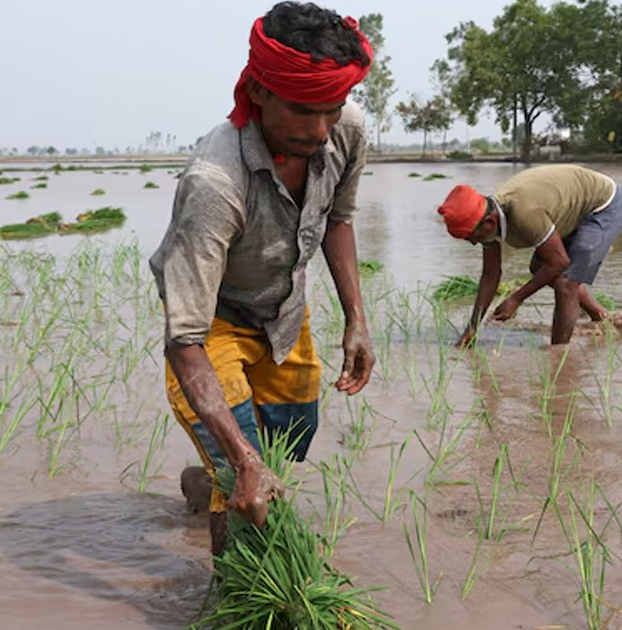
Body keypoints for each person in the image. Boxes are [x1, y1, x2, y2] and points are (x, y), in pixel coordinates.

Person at [148, 1, 375, 555]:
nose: (321, 131)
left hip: (283, 312)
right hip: (214, 326)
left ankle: (205, 482)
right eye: (304, 111)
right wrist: (242, 461)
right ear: (259, 92)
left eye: (333, 108)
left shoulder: (346, 132)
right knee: (243, 465)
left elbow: (336, 220)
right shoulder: (215, 182)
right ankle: (235, 583)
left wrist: (357, 320)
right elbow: (185, 339)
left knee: (290, 439)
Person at [436, 164, 622, 347]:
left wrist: (515, 299)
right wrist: (472, 329)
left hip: (604, 205)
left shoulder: (524, 213)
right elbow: (490, 275)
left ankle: (559, 355)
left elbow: (560, 262)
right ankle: (602, 317)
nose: (473, 243)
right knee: (539, 268)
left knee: (565, 283)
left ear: (489, 222)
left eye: (472, 237)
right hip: (570, 204)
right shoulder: (488, 217)